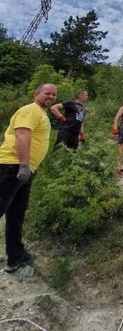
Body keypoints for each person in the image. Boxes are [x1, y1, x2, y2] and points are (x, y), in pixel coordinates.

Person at [0, 83, 57, 273]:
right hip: (12, 166)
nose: (51, 96)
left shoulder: (41, 113)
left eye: (54, 94)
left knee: (16, 214)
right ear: (36, 94)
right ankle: (16, 256)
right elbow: (22, 134)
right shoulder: (31, 110)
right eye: (47, 93)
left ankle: (16, 257)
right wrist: (23, 165)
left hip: (23, 170)